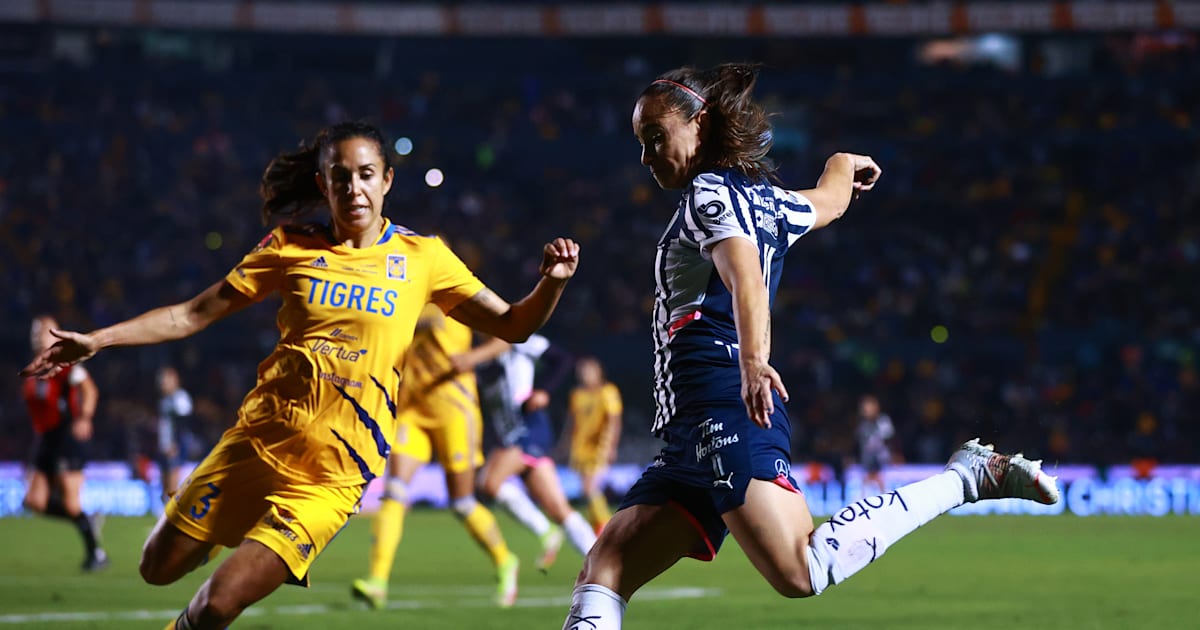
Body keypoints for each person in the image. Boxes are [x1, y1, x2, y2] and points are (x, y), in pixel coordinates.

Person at [21, 120, 580, 630]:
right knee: (155, 569)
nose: (354, 189)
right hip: (256, 442)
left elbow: (513, 325)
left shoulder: (424, 257)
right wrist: (97, 339)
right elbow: (192, 313)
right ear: (323, 184)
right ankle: (224, 528)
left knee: (217, 604)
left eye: (366, 175)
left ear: (387, 180)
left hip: (331, 476)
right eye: (341, 177)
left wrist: (551, 283)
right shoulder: (289, 246)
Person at [561, 64, 1059, 629]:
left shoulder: (709, 194)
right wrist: (841, 164)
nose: (647, 156)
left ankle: (966, 477)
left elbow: (744, 273)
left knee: (802, 569)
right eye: (641, 143)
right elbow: (829, 202)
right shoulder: (771, 203)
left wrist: (754, 362)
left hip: (724, 404)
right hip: (689, 434)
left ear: (700, 124)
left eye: (656, 137)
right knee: (605, 570)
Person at [351, 303, 521, 610]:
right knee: (394, 493)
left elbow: (506, 335)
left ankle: (505, 560)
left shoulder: (459, 296)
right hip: (413, 406)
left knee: (462, 503)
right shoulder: (406, 291)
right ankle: (377, 582)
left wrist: (473, 358)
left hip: (455, 409)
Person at [477, 334, 597, 570]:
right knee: (559, 508)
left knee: (489, 483)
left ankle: (545, 530)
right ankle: (599, 557)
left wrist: (543, 391)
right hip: (510, 432)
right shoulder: (479, 353)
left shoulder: (517, 338)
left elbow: (562, 359)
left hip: (527, 424)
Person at [21, 315, 108, 572]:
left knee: (71, 503)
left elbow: (89, 390)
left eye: (42, 332)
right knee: (34, 501)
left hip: (66, 437)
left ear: (54, 336)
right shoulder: (34, 368)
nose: (37, 336)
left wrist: (84, 418)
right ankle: (86, 521)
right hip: (45, 439)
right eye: (34, 332)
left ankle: (97, 554)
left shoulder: (66, 364)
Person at [565, 357, 623, 532]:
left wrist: (612, 446)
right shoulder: (577, 395)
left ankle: (607, 527)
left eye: (589, 371)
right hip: (580, 448)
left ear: (599, 372)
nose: (585, 375)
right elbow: (572, 422)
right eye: (582, 371)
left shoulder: (608, 391)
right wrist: (564, 445)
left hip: (600, 446)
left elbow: (614, 420)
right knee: (586, 490)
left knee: (590, 488)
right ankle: (598, 527)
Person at [156, 366, 195, 504]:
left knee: (172, 484)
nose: (162, 383)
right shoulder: (165, 400)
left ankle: (173, 517)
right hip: (165, 444)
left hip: (174, 445)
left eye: (166, 380)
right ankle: (165, 516)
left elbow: (183, 424)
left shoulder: (180, 398)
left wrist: (175, 444)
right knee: (164, 486)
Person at [856, 394, 895, 497]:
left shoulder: (883, 420)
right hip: (867, 459)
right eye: (864, 408)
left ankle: (884, 499)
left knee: (878, 480)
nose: (866, 410)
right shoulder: (862, 423)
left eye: (869, 407)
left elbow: (888, 438)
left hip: (881, 458)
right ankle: (865, 500)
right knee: (866, 481)